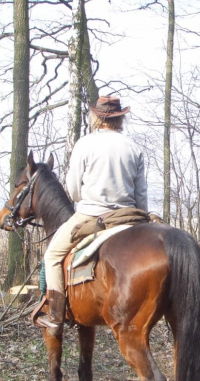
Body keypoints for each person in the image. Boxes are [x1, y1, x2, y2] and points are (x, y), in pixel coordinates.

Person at [35, 95, 148, 331]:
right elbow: (141, 194)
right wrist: (143, 217)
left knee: (52, 257)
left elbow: (75, 192)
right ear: (120, 119)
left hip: (91, 215)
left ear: (97, 117)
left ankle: (55, 316)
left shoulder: (85, 144)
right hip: (129, 216)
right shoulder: (133, 147)